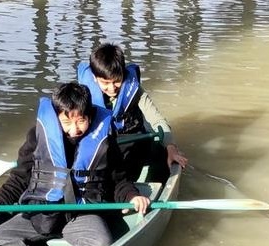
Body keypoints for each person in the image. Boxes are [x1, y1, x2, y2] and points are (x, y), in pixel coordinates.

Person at [0, 82, 150, 246]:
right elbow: (19, 178)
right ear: (56, 118)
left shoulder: (105, 140)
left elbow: (118, 179)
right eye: (66, 122)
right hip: (43, 212)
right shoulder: (38, 137)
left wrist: (131, 196)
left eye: (81, 121)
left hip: (82, 213)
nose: (74, 130)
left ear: (90, 116)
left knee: (100, 244)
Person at [77, 42, 187, 182]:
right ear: (94, 77)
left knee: (160, 151)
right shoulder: (83, 94)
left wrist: (170, 147)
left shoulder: (134, 90)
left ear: (123, 73)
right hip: (102, 148)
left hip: (133, 144)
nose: (112, 89)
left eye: (117, 81)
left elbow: (157, 120)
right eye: (105, 83)